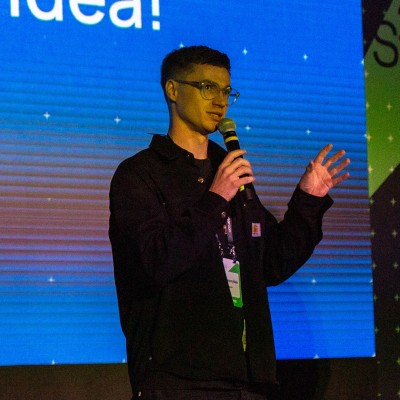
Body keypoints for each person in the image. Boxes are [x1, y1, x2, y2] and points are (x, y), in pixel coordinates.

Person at [109, 45, 350, 400]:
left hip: (247, 377)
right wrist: (215, 199)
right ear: (173, 90)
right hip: (179, 379)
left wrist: (308, 201)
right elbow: (154, 262)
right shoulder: (140, 174)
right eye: (207, 87)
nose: (220, 101)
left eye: (226, 91)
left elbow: (270, 264)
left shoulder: (229, 171)